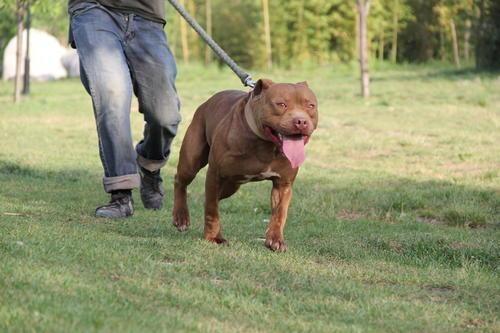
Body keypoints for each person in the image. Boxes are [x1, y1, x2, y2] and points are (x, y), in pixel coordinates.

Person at [68, 0, 181, 218]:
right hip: (95, 9)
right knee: (112, 92)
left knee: (165, 115)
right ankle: (121, 194)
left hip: (147, 14)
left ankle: (149, 164)